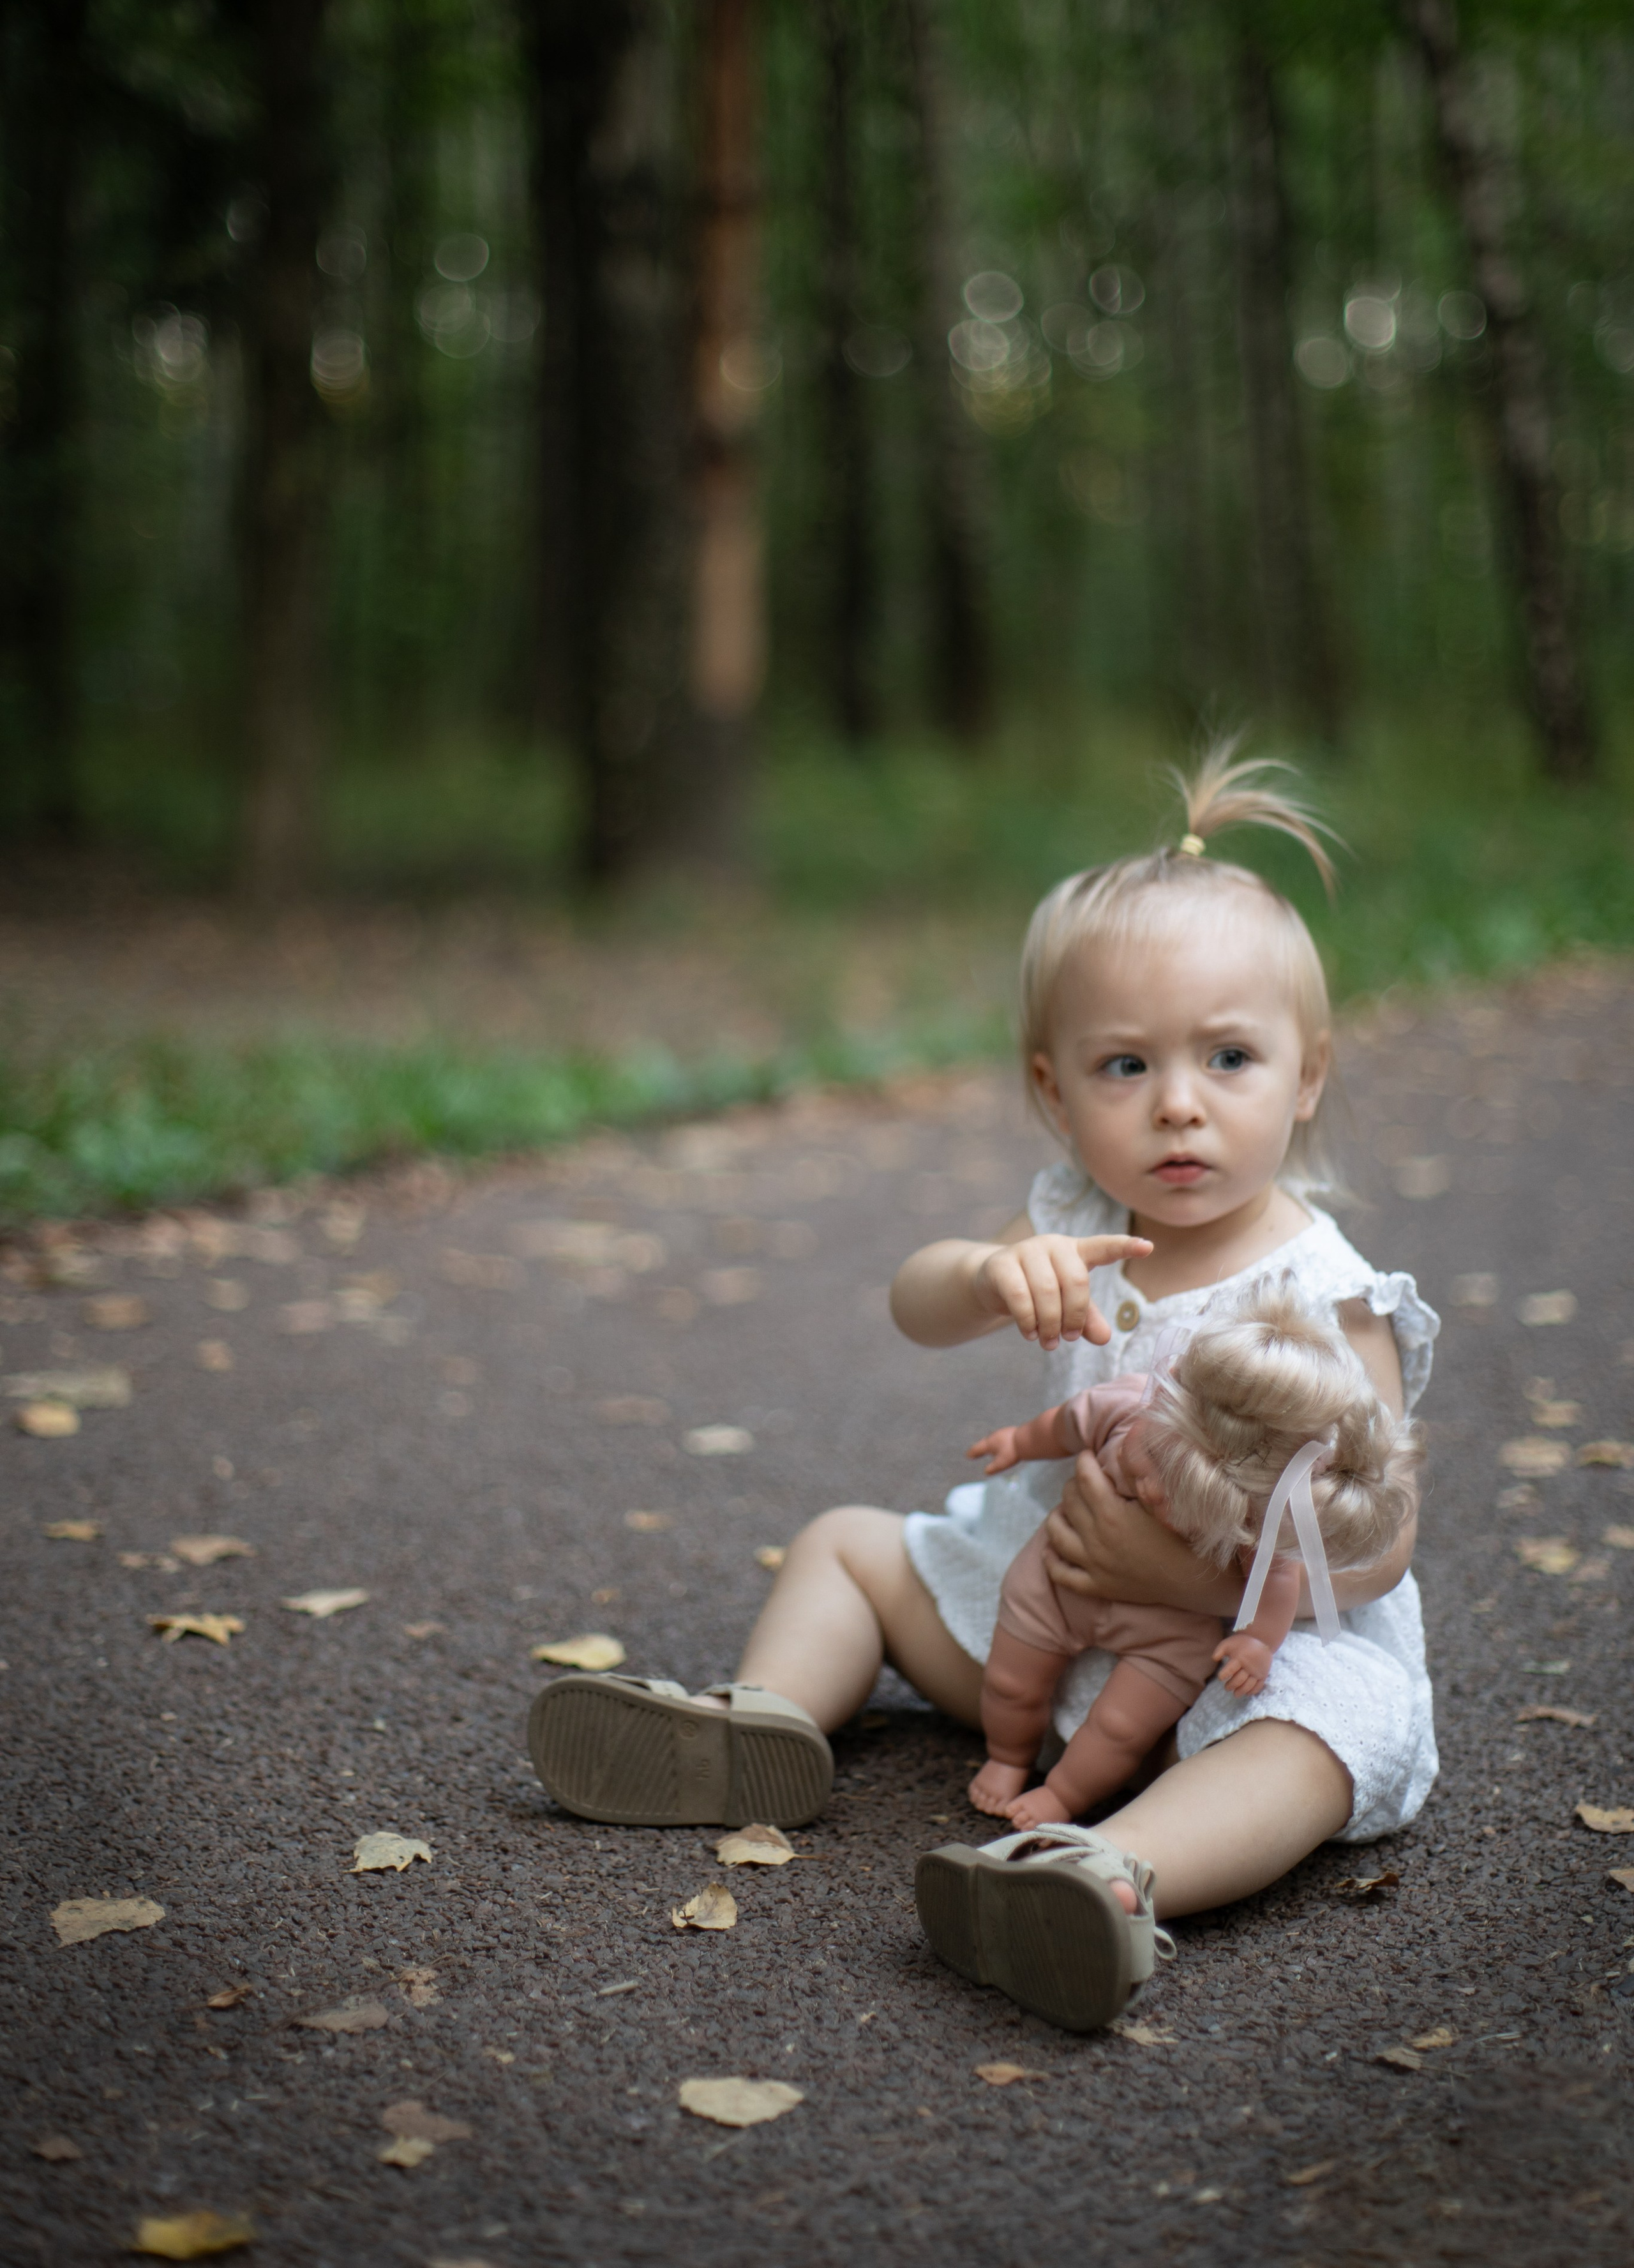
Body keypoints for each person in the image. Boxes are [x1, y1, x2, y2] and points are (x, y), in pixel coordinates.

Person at [527, 741, 1439, 2032]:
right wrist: (982, 1274)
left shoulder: (1327, 1292)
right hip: (1044, 1615)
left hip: (1235, 1660)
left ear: (1308, 1076)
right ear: (1051, 1093)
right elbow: (913, 1307)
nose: (1177, 1106)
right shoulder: (1068, 1232)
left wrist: (1210, 1578)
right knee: (848, 1548)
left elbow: (1380, 1537)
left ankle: (1107, 1878)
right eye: (1125, 1067)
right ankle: (756, 1727)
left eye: (1227, 1059)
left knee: (1325, 1733)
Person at [966, 1281, 1421, 1831]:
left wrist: (1257, 1640)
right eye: (1152, 1459)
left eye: (1184, 1503)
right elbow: (1067, 1423)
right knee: (1012, 1680)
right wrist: (1020, 1442)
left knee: (1121, 1728)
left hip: (1171, 1631)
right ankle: (1008, 1757)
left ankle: (1064, 1796)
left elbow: (1276, 1579)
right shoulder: (1128, 1406)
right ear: (1160, 1401)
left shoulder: (1258, 1511)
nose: (1153, 1490)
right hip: (1060, 1577)